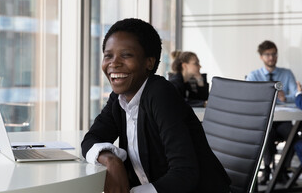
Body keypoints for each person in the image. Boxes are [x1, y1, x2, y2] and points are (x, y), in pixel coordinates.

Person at [81, 18, 230, 193]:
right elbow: (90, 140)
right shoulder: (119, 98)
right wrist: (110, 160)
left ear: (149, 62)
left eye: (126, 55)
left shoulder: (160, 94)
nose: (114, 63)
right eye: (108, 55)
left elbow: (184, 173)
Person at [246, 40, 297, 185]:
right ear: (261, 57)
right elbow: (249, 99)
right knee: (265, 134)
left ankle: (282, 170)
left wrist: (285, 97)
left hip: (282, 121)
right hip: (264, 121)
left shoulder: (286, 74)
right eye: (267, 54)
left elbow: (297, 95)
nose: (271, 57)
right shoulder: (253, 76)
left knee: (293, 136)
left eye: (274, 54)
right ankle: (267, 169)